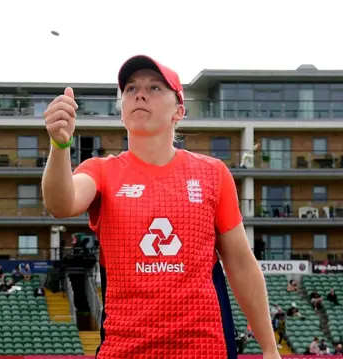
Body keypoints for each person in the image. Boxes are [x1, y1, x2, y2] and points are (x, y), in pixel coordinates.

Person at [41, 55, 280, 359]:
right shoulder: (102, 171)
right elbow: (61, 204)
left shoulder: (212, 173)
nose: (139, 93)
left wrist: (270, 350)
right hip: (125, 350)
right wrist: (60, 146)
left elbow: (241, 265)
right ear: (122, 110)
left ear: (178, 111)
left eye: (154, 88)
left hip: (202, 349)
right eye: (130, 88)